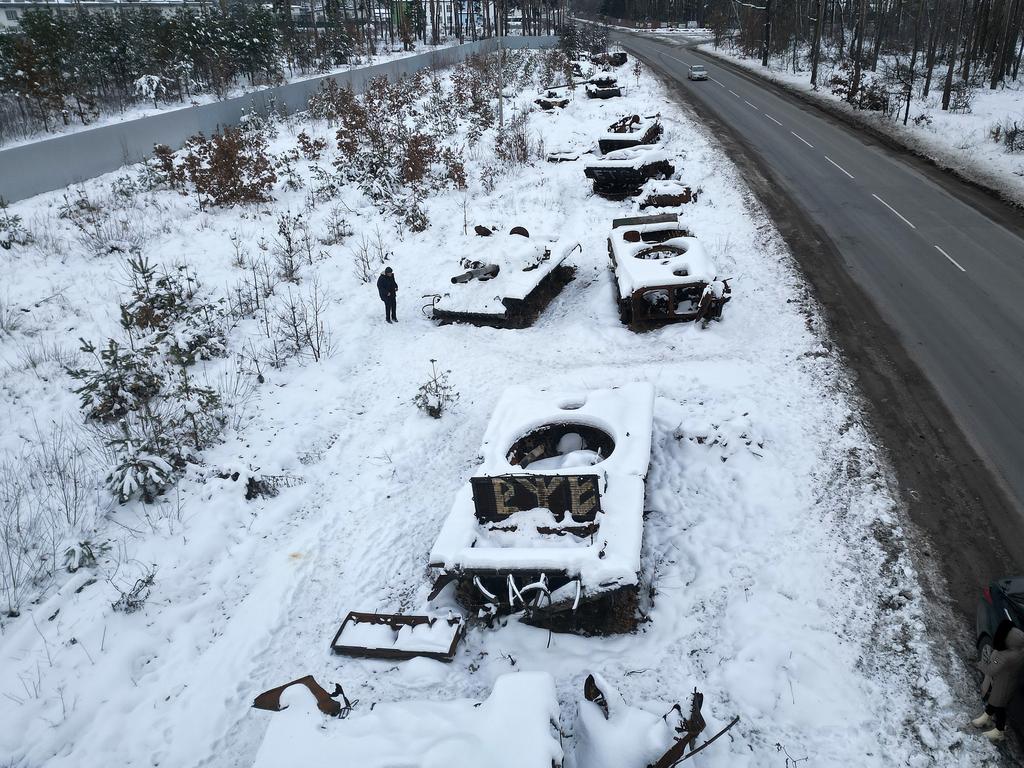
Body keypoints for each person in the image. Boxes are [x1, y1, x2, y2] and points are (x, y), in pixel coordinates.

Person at [972, 621, 1024, 742]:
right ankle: (986, 717)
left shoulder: (1004, 656)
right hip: (1011, 680)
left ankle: (999, 731)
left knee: (999, 706)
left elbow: (990, 670)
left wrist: (980, 664)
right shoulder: (1021, 649)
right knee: (994, 701)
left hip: (1002, 682)